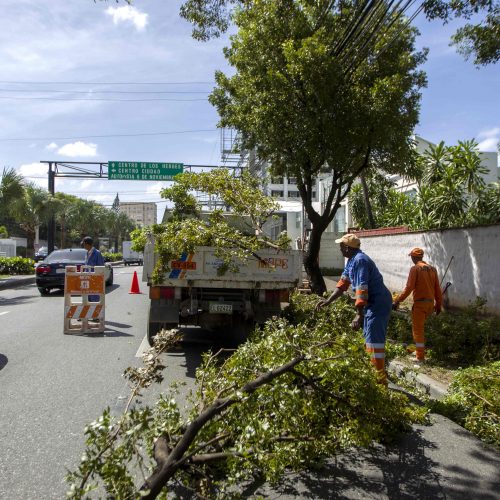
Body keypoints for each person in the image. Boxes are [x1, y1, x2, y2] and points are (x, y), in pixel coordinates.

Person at [316, 234, 392, 385]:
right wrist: (328, 301)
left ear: (347, 247)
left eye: (341, 246)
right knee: (369, 338)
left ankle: (380, 382)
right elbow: (342, 284)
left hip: (378, 303)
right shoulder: (352, 260)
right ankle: (375, 374)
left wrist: (359, 315)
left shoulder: (360, 261)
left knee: (374, 342)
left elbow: (362, 289)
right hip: (372, 303)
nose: (339, 249)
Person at [392, 248, 442, 365]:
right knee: (421, 330)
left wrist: (398, 300)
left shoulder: (415, 269)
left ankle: (420, 358)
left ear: (414, 257)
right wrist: (438, 305)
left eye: (411, 257)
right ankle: (420, 351)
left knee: (418, 331)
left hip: (420, 304)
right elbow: (437, 289)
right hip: (430, 304)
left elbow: (409, 287)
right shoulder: (432, 269)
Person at [81, 236, 105, 303]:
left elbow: (100, 267)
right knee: (87, 300)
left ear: (87, 244)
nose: (83, 246)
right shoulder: (87, 253)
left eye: (84, 244)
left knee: (95, 300)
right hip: (86, 280)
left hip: (94, 280)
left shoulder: (97, 253)